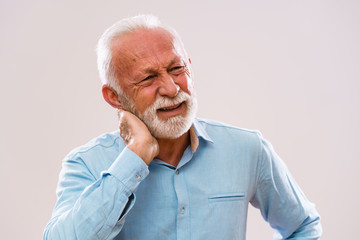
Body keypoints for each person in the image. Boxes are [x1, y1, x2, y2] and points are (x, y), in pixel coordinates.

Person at [43, 15, 322, 240]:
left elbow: (303, 226)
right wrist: (135, 156)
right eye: (148, 78)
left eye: (176, 69)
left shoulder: (247, 149)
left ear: (189, 65)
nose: (171, 87)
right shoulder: (87, 164)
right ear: (114, 96)